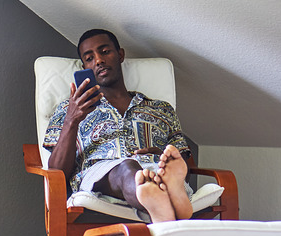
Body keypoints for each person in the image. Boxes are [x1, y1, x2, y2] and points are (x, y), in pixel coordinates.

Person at [43, 29, 193, 223]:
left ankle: (163, 201)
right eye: (89, 58)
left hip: (154, 166)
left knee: (164, 167)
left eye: (105, 52)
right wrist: (72, 119)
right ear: (84, 66)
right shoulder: (69, 108)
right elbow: (57, 172)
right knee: (128, 169)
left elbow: (186, 166)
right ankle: (169, 200)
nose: (98, 60)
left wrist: (162, 155)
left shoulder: (161, 109)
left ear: (120, 55)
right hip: (102, 175)